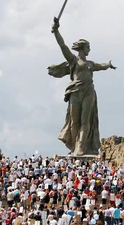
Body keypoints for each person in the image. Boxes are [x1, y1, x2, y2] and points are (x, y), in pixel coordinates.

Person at [49, 17, 116, 156]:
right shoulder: (73, 60)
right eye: (88, 47)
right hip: (75, 91)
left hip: (88, 92)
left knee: (86, 121)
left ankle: (81, 147)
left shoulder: (90, 64)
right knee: (74, 121)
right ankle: (74, 146)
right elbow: (63, 46)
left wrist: (108, 65)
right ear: (82, 47)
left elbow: (101, 66)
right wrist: (56, 31)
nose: (89, 50)